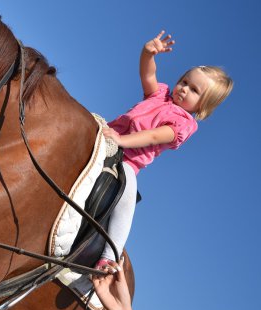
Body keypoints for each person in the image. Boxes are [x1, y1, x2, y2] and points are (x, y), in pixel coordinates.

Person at [96, 30, 233, 268]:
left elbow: (152, 136)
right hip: (106, 137)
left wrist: (121, 141)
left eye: (194, 90)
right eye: (184, 81)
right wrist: (147, 54)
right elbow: (148, 74)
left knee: (126, 196)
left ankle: (110, 254)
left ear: (203, 106)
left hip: (126, 161)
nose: (183, 89)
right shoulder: (160, 95)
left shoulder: (184, 124)